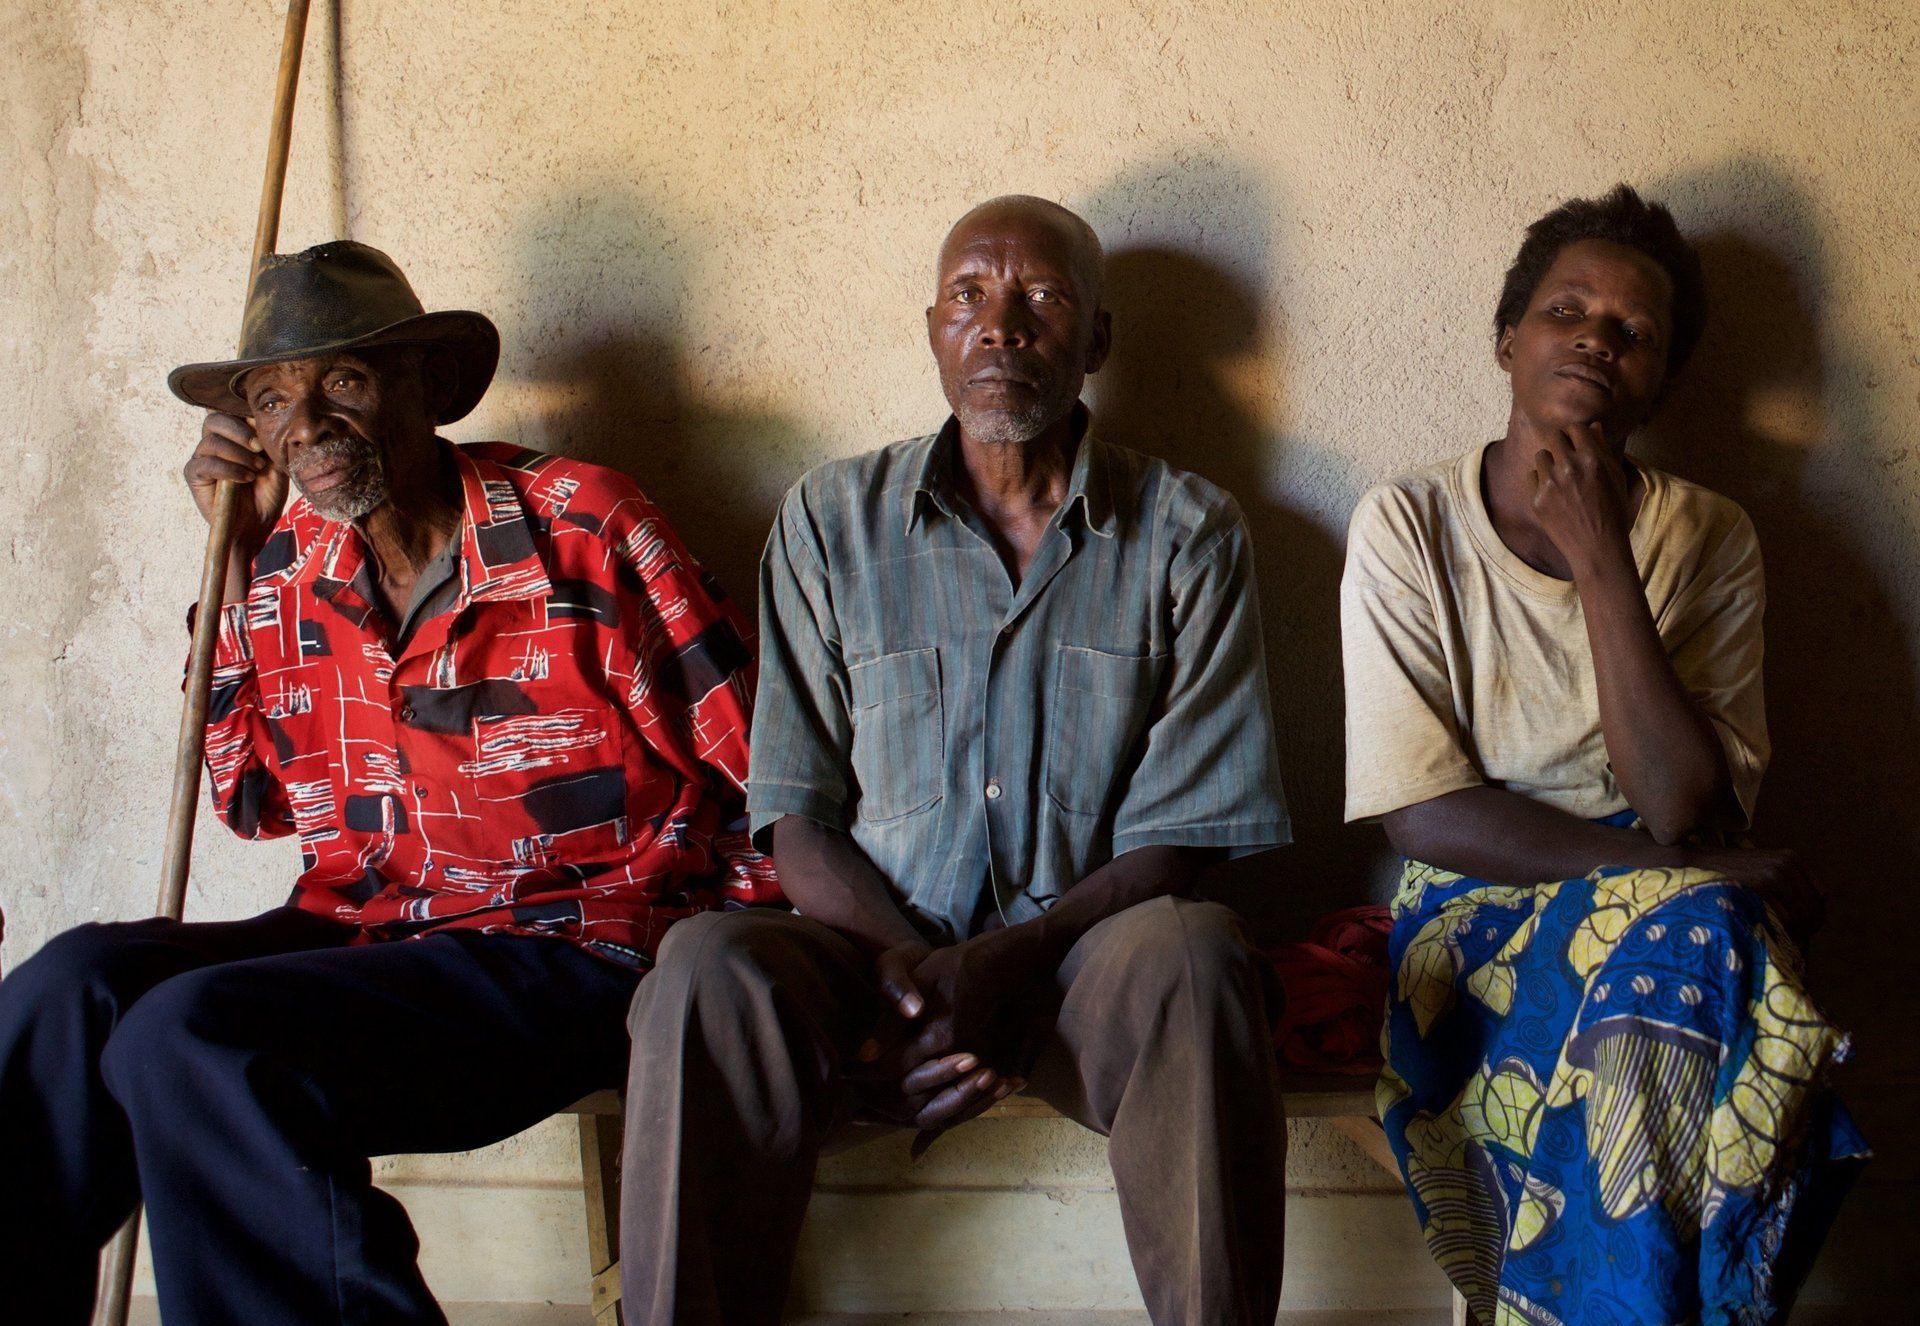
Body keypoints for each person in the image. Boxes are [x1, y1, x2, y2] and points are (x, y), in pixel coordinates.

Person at [0, 241, 776, 1323]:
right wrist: (229, 564)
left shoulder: (582, 524)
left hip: (570, 949)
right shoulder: (287, 565)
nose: (306, 421)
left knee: (190, 1035)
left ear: (426, 387)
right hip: (370, 933)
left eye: (345, 381)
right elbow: (249, 798)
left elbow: (764, 766)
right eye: (272, 397)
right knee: (68, 990)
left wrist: (774, 957)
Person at [620, 196, 1293, 1324]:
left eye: (1042, 298)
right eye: (970, 297)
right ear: (932, 328)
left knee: (1199, 956)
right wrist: (914, 977)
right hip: (868, 973)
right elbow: (797, 815)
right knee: (700, 970)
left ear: (1098, 343)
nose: (1002, 326)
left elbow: (1187, 832)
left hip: (1085, 966)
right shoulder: (832, 521)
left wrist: (1013, 961)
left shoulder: (1188, 530)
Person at [1341, 185, 1866, 1325]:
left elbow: (1681, 808)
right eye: (1565, 310)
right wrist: (1682, 877)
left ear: (1660, 381)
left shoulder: (1707, 537)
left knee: (1685, 951)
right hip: (1476, 906)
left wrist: (1599, 557)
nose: (1595, 336)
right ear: (1506, 341)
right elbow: (1423, 815)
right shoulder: (1409, 525)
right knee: (1701, 933)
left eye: (1632, 332)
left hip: (1674, 896)